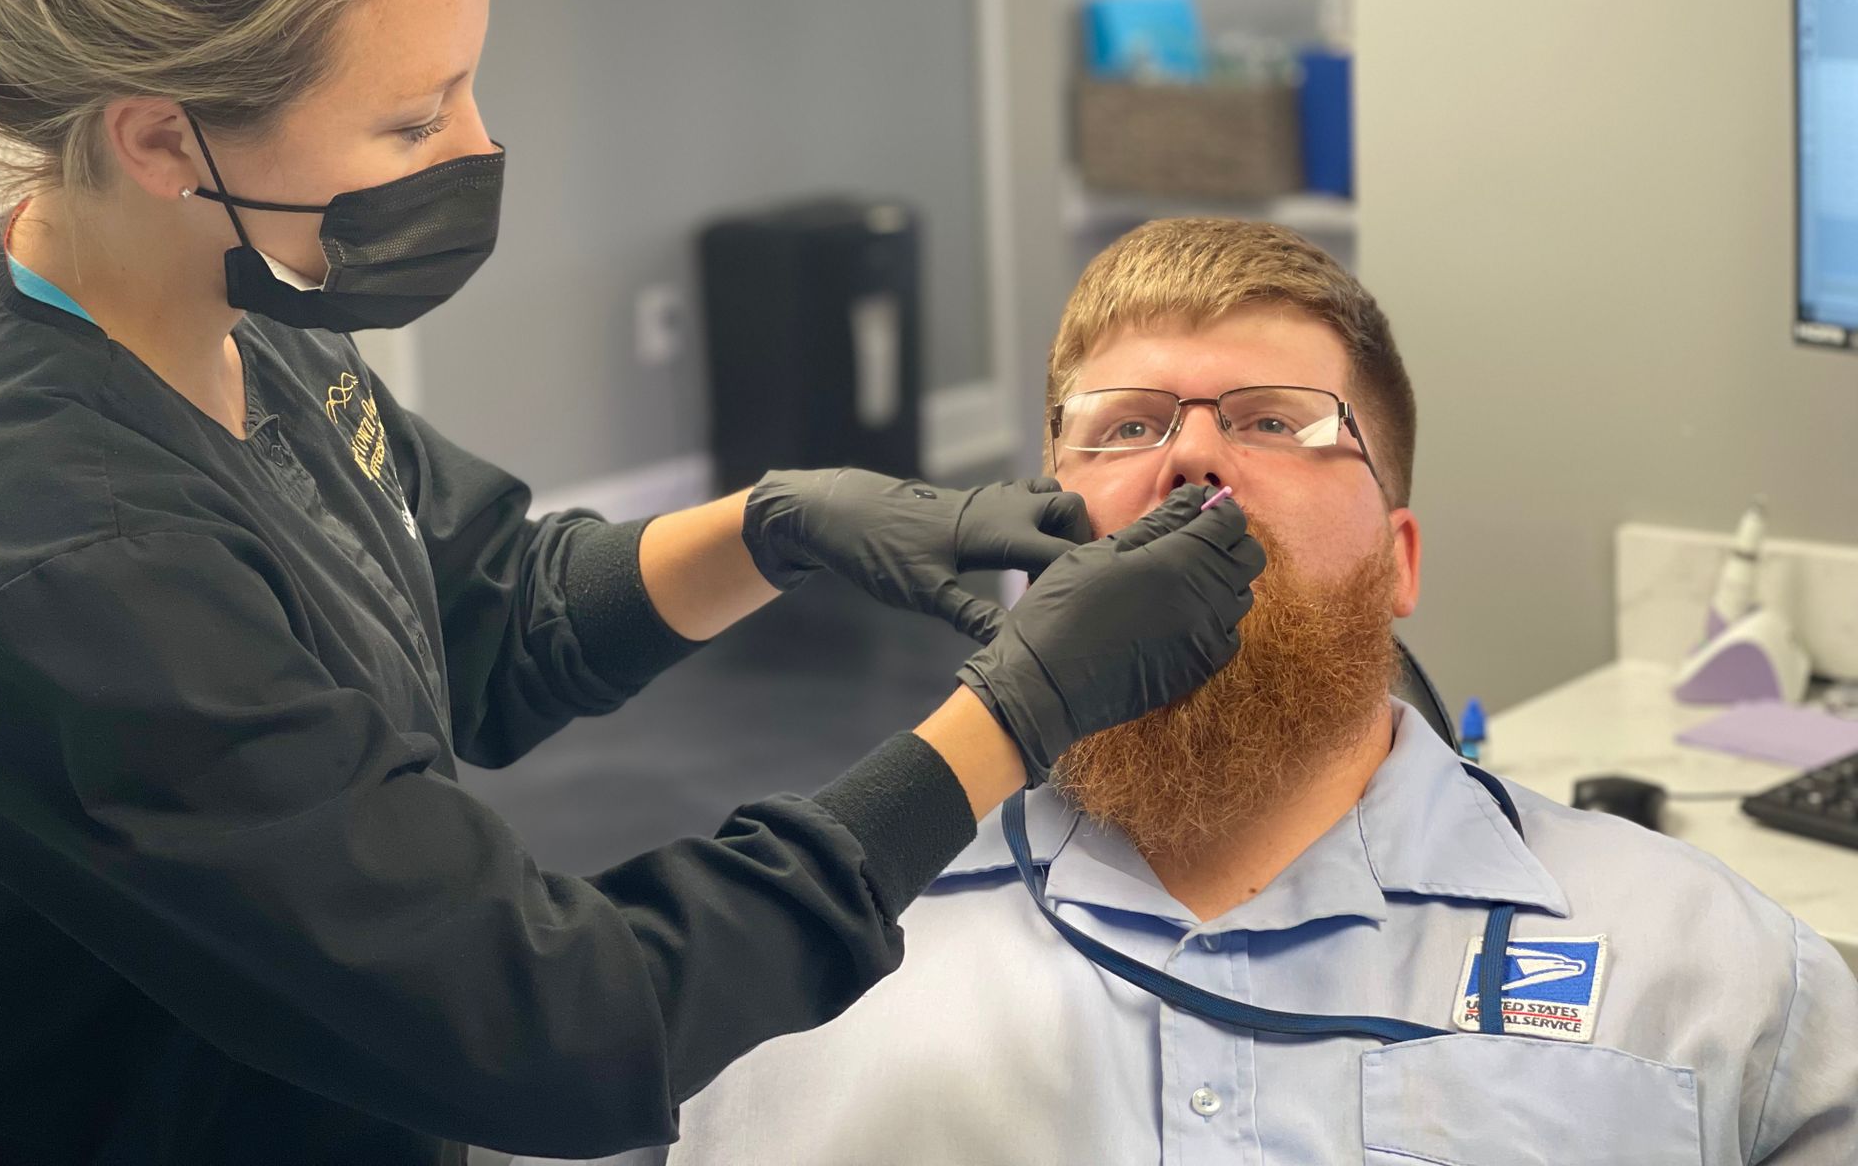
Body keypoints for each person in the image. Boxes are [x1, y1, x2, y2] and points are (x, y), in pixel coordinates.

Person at [0, 0, 1268, 1162]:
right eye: (409, 117)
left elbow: (478, 611)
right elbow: (556, 1024)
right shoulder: (64, 554)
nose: (473, 144)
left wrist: (776, 526)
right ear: (158, 140)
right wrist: (1016, 715)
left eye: (466, 83)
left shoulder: (233, 295)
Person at [648, 219, 1858, 1166]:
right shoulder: (787, 984)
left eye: (1278, 422)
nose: (1191, 457)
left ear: (1400, 558)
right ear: (1036, 538)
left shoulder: (1719, 987)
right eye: (1123, 429)